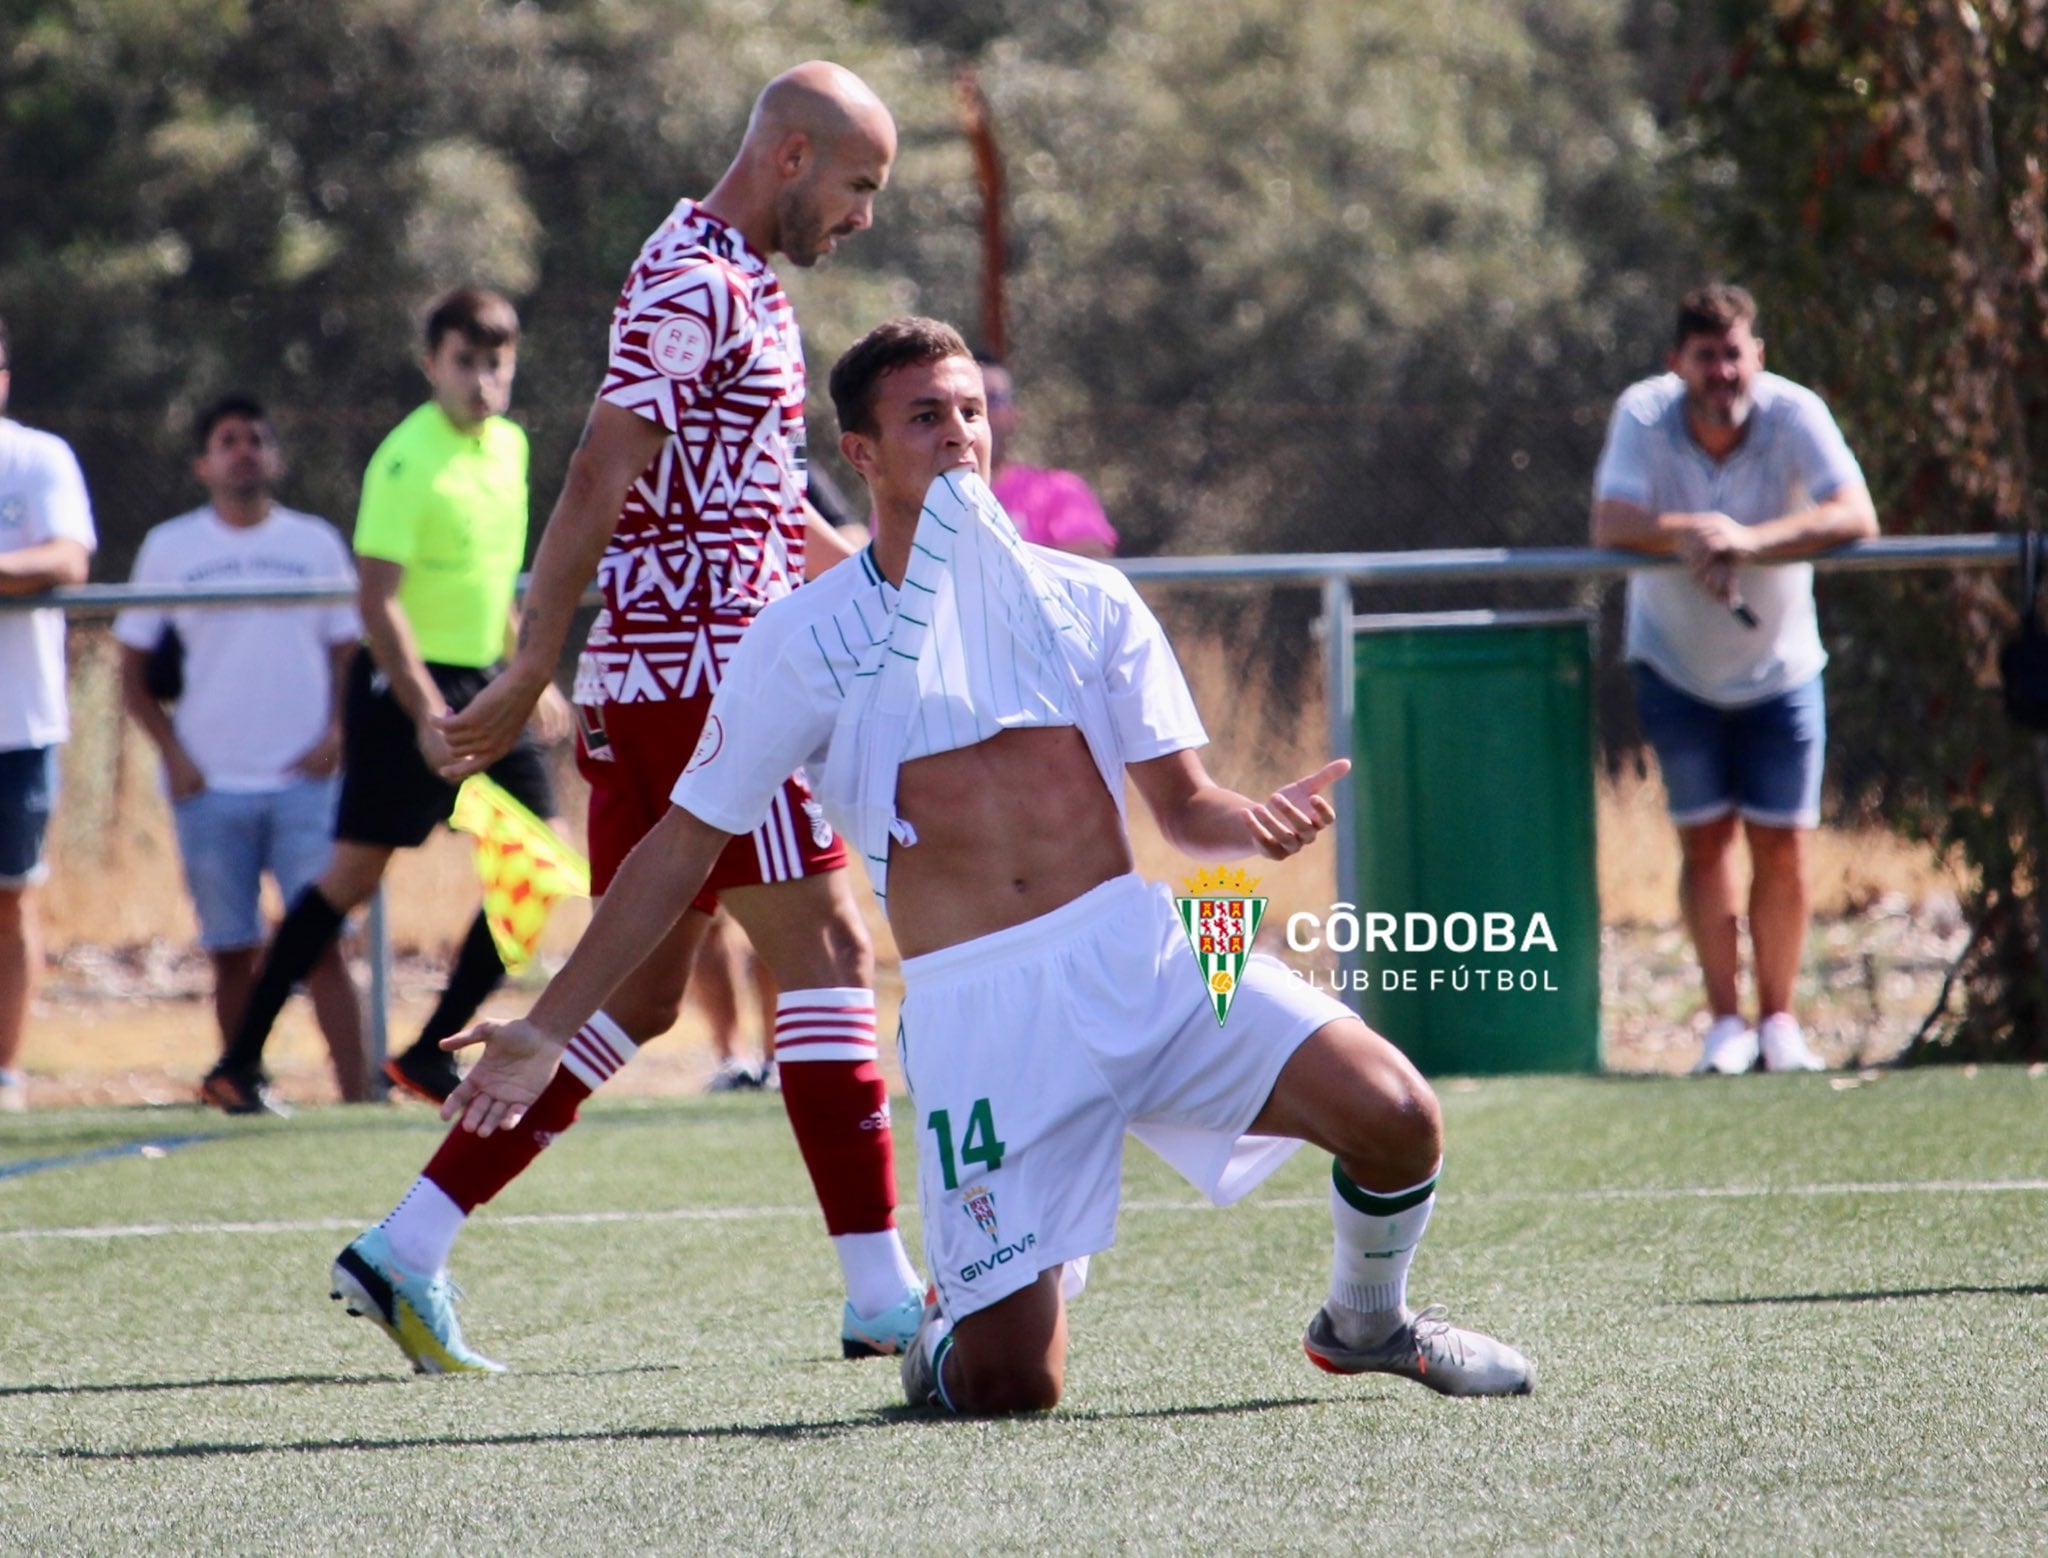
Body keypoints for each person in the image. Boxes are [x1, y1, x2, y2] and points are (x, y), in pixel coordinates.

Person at [439, 317, 1535, 1414]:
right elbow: (681, 844)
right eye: (925, 416)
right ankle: (943, 1336)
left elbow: (1187, 813)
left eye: (970, 410)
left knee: (1398, 1115)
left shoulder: (1087, 597)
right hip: (982, 1020)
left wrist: (1253, 822)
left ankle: (1366, 1321)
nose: (960, 433)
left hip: (1139, 959)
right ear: (860, 454)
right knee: (1013, 1386)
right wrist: (549, 1023)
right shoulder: (800, 638)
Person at [327, 62, 924, 1376]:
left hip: (680, 683)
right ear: (788, 157)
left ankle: (409, 1242)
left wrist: (903, 594)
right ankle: (884, 1293)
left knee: (639, 993)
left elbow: (763, 505)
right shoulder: (693, 278)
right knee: (829, 948)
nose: (863, 215)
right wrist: (531, 658)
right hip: (711, 682)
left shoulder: (742, 282)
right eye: (858, 184)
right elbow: (600, 467)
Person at [199, 287, 570, 1116]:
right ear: (431, 364)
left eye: (497, 363)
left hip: (485, 682)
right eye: (465, 362)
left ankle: (429, 1052)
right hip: (406, 689)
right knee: (350, 880)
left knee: (539, 864)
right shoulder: (407, 458)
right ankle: (239, 1061)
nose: (482, 380)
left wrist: (528, 669)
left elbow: (487, 582)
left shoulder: (510, 446)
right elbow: (379, 603)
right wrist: (427, 711)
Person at [1592, 283, 1878, 1076]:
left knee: (1782, 844)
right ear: (1677, 363)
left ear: (1757, 354)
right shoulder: (1643, 413)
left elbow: (1855, 514)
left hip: (1782, 669)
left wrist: (1748, 541)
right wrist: (1695, 533)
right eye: (1705, 356)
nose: (1722, 371)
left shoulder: (1795, 412)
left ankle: (1779, 1024)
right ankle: (1725, 1026)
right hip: (1674, 666)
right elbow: (1611, 522)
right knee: (1707, 841)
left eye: (1733, 353)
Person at [114, 397, 369, 1100]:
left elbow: (351, 656)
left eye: (257, 439)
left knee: (325, 946)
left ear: (276, 456)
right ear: (203, 463)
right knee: (232, 950)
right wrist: (174, 755)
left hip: (306, 786)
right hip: (210, 787)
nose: (244, 451)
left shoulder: (314, 543)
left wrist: (336, 737)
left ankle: (357, 1098)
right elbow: (131, 671)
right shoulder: (170, 547)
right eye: (227, 441)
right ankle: (241, 1087)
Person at [0, 315, 97, 1115]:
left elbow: (67, 557)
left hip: (17, 728)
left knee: (11, 902)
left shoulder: (37, 459)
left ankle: (4, 1074)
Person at [977, 352, 1117, 558]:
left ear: (1014, 415)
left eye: (992, 400)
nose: (981, 413)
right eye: (968, 405)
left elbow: (1089, 561)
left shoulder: (1059, 491)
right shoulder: (929, 494)